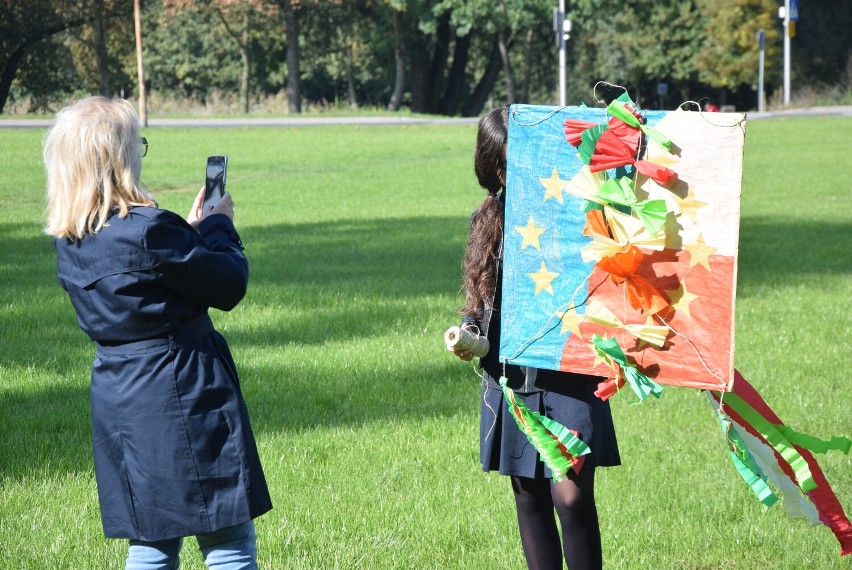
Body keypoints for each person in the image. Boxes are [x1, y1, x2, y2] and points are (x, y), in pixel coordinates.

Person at [44, 96, 272, 570]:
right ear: (117, 156)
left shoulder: (70, 239)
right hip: (184, 389)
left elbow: (143, 281)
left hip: (120, 396)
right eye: (136, 145)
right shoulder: (150, 230)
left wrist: (188, 232)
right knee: (226, 536)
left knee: (151, 539)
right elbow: (228, 283)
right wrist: (217, 227)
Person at [450, 107, 621, 570]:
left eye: (524, 160)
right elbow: (482, 302)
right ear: (493, 166)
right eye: (506, 164)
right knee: (529, 496)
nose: (515, 173)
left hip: (570, 370)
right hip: (512, 377)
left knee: (571, 497)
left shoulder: (575, 212)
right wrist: (469, 331)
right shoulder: (487, 219)